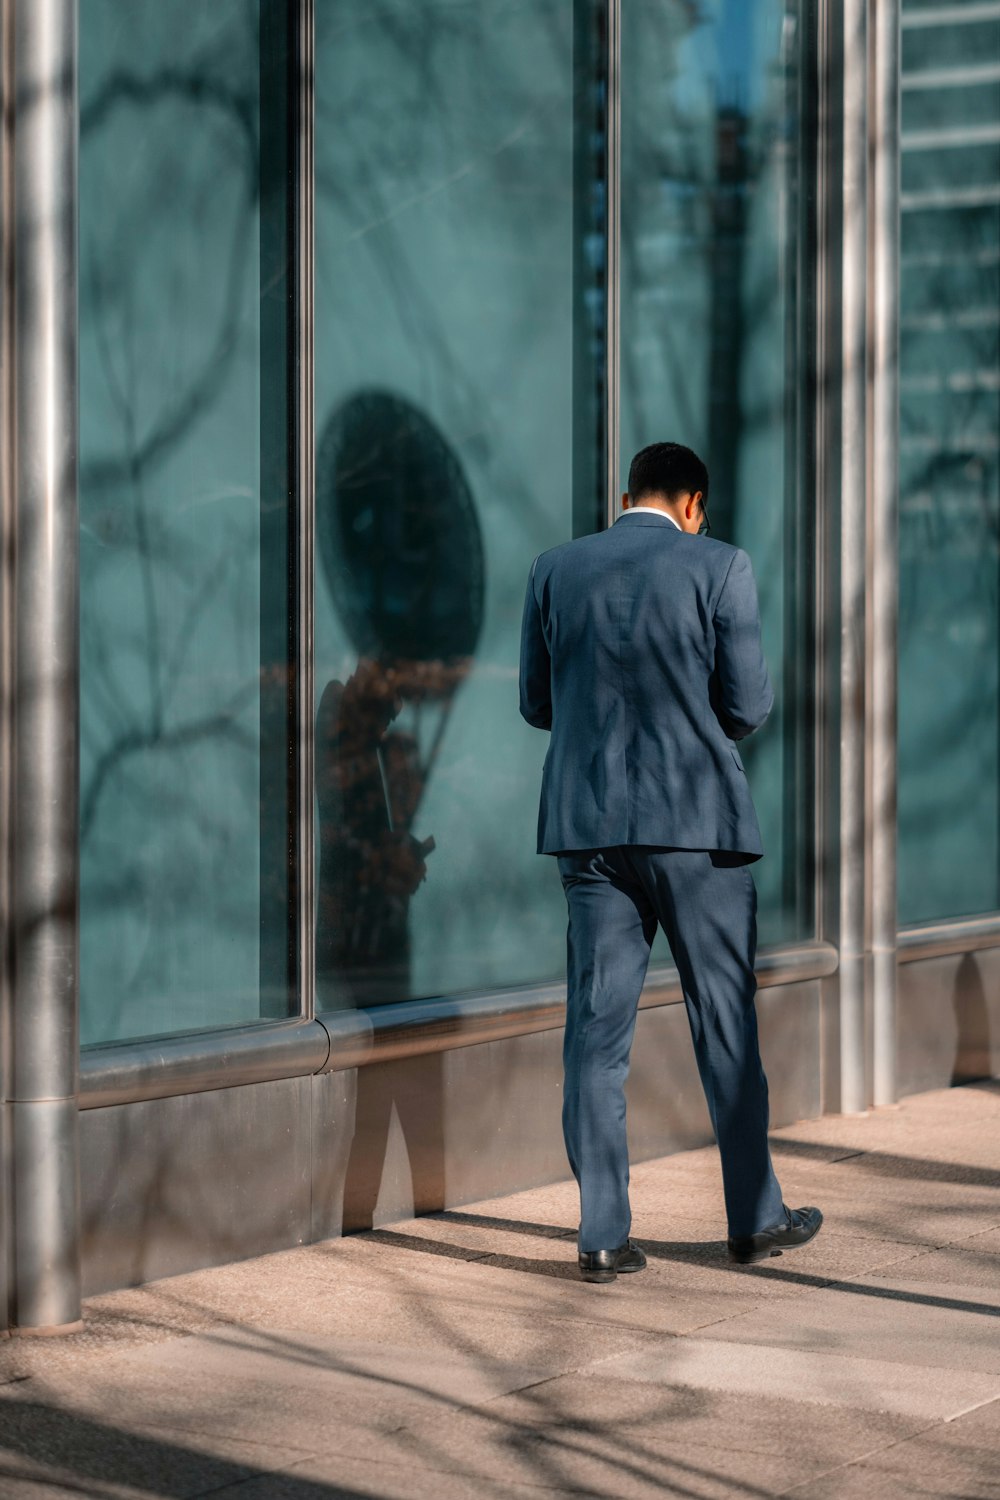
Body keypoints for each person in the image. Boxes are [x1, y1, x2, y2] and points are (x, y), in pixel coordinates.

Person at [518, 442, 822, 1284]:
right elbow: (748, 705)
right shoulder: (720, 566)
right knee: (723, 1019)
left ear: (626, 496)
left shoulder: (554, 568)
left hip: (588, 829)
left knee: (596, 1029)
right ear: (694, 503)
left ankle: (603, 1234)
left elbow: (536, 703)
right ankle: (754, 1221)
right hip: (696, 826)